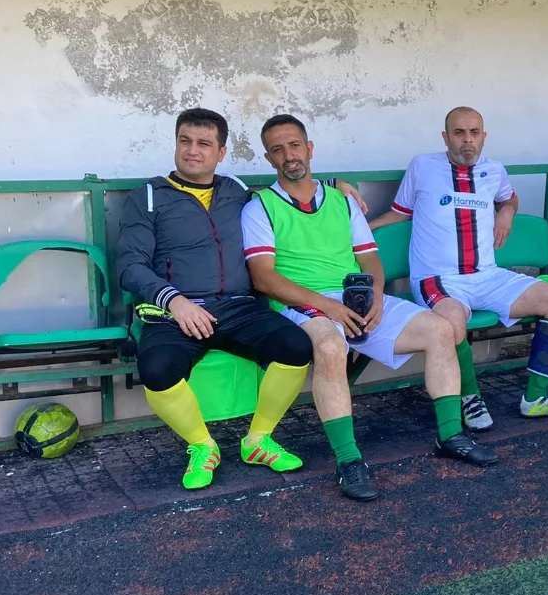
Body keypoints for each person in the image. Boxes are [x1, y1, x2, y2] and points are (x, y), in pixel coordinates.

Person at [242, 114, 496, 502]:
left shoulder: (342, 200)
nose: (289, 155)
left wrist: (376, 295)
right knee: (330, 346)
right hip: (301, 302)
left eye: (294, 145)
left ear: (309, 149)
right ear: (268, 158)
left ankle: (451, 435)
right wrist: (327, 306)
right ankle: (349, 461)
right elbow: (263, 278)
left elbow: (369, 259)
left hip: (355, 296)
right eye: (278, 150)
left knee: (441, 329)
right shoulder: (259, 207)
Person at [116, 108, 315, 492]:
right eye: (185, 141)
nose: (193, 151)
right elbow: (130, 265)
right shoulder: (148, 196)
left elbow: (289, 194)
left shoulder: (236, 191)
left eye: (204, 144)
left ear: (221, 153)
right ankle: (202, 445)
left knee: (296, 346)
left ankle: (258, 440)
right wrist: (174, 301)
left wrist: (339, 186)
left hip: (238, 306)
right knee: (156, 369)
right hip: (175, 310)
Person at [370, 106, 548, 426]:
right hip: (438, 278)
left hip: (487, 275)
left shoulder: (494, 170)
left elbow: (509, 198)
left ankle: (537, 398)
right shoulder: (422, 166)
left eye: (474, 133)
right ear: (446, 137)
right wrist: (362, 230)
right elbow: (401, 212)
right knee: (452, 319)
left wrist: (507, 212)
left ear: (484, 137)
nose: (467, 140)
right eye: (459, 133)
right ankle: (469, 398)